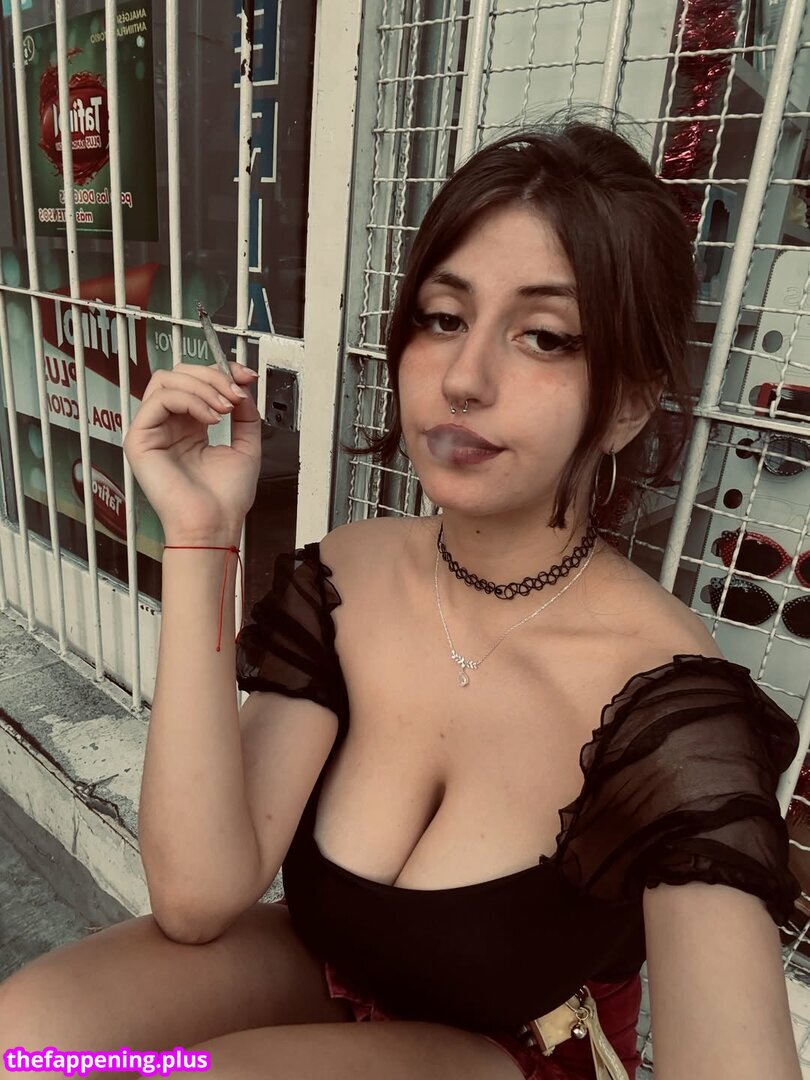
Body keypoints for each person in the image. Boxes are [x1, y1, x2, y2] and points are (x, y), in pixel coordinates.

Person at [0, 117, 803, 1080]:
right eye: (443, 318)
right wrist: (201, 534)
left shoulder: (671, 712)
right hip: (333, 979)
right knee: (29, 1042)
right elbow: (197, 897)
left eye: (544, 337)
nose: (463, 379)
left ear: (628, 401)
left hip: (518, 1051)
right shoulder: (351, 577)